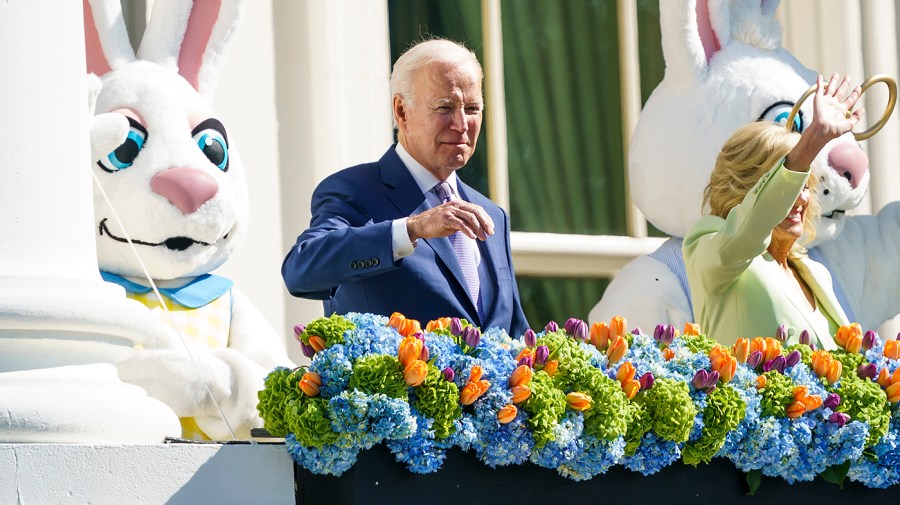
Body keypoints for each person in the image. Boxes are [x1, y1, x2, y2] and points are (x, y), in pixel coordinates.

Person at [282, 39, 529, 337]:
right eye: (445, 107)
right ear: (401, 111)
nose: (462, 124)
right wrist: (411, 229)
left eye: (473, 108)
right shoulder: (353, 191)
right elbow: (301, 270)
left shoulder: (492, 215)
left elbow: (515, 336)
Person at [683, 74, 864, 349]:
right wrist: (812, 140)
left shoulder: (814, 273)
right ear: (743, 190)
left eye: (805, 185)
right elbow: (751, 226)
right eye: (788, 186)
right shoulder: (717, 254)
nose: (798, 198)